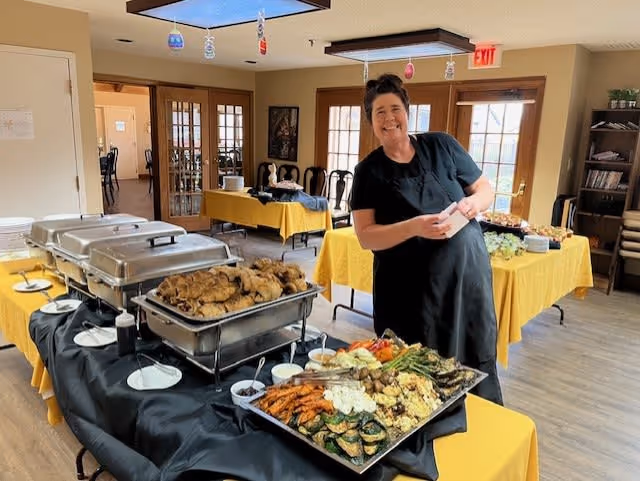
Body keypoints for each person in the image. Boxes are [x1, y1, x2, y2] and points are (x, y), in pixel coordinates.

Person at [350, 73, 503, 405]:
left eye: (395, 109)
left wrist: (473, 204)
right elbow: (365, 236)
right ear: (371, 122)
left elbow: (485, 189)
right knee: (418, 371)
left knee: (475, 352)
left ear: (407, 110)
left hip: (466, 280)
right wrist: (414, 226)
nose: (389, 119)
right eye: (379, 113)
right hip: (411, 295)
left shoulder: (442, 145)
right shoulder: (368, 172)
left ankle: (485, 431)